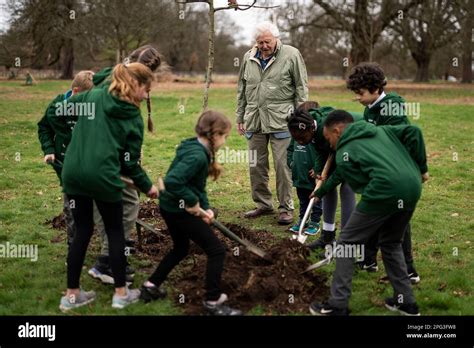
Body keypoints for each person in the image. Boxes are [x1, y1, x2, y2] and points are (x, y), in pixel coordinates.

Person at [59, 63, 158, 311]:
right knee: (115, 233)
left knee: (82, 230)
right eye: (146, 89)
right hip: (103, 177)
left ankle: (71, 296)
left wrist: (116, 68)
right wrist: (148, 187)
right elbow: (130, 165)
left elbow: (91, 85)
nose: (146, 96)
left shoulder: (92, 96)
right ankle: (121, 294)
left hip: (72, 173)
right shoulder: (132, 117)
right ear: (136, 84)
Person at [309, 110, 428, 316]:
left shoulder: (345, 150)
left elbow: (348, 180)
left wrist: (322, 190)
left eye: (329, 139)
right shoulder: (382, 131)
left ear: (337, 131)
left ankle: (337, 305)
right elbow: (414, 131)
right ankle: (406, 303)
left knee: (346, 243)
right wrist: (422, 168)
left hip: (384, 191)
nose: (329, 145)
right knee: (391, 243)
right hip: (412, 187)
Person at [141, 110, 242, 316]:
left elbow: (197, 185)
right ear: (213, 135)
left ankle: (150, 286)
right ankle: (212, 302)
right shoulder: (197, 155)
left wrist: (207, 208)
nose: (225, 140)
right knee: (216, 250)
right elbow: (173, 182)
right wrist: (193, 202)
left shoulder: (193, 146)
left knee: (180, 248)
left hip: (170, 207)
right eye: (224, 136)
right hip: (178, 210)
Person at [88, 45, 162, 285]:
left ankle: (115, 255)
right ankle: (109, 260)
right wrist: (146, 184)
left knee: (119, 203)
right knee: (124, 201)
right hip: (108, 158)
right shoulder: (113, 92)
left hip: (100, 155)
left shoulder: (113, 81)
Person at [347, 62, 419, 282]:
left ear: (376, 89)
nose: (358, 97)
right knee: (374, 212)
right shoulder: (371, 108)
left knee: (397, 222)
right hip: (379, 170)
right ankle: (368, 259)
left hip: (397, 172)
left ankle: (408, 270)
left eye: (360, 93)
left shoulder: (392, 108)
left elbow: (399, 138)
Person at [236, 21, 308, 225]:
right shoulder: (248, 57)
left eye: (267, 41)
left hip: (282, 120)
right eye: (260, 42)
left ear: (276, 38)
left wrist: (300, 118)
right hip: (254, 119)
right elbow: (241, 89)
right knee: (256, 165)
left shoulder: (292, 55)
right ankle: (263, 204)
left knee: (283, 166)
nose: (264, 46)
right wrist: (240, 116)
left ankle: (286, 208)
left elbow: (301, 88)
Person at [287, 106, 361, 250]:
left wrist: (321, 191)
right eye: (296, 140)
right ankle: (327, 237)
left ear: (311, 129)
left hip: (355, 146)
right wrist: (318, 171)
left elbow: (341, 171)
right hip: (337, 147)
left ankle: (345, 242)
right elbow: (320, 149)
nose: (300, 142)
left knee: (347, 185)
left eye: (302, 138)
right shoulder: (313, 130)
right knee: (327, 183)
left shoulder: (328, 129)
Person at [37, 70, 95, 248]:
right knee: (72, 208)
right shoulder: (57, 106)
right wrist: (49, 150)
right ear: (76, 92)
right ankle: (73, 247)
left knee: (91, 207)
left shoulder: (93, 107)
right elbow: (44, 127)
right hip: (66, 164)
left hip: (91, 164)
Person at [286, 102, 322, 236]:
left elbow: (322, 154)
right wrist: (291, 163)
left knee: (316, 200)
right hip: (299, 174)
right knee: (303, 200)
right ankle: (303, 220)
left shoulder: (316, 137)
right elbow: (289, 150)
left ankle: (315, 222)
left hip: (313, 176)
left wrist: (318, 169)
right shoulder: (296, 135)